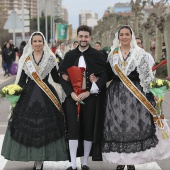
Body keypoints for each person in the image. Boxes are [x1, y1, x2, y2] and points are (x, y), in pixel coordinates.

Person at [91, 25, 170, 170]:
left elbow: (146, 78)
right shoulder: (113, 54)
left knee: (134, 127)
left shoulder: (140, 54)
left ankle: (132, 161)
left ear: (131, 36)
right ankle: (121, 161)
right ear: (118, 37)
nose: (124, 37)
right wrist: (96, 78)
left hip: (135, 95)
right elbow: (108, 74)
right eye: (122, 34)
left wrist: (153, 95)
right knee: (118, 127)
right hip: (115, 96)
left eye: (127, 34)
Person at [1, 32, 68, 170]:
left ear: (44, 43)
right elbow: (21, 80)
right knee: (28, 128)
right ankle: (33, 156)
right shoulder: (26, 59)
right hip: (28, 94)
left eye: (40, 41)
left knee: (45, 128)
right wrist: (14, 93)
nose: (37, 43)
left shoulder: (50, 58)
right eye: (35, 41)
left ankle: (41, 159)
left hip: (46, 96)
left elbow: (55, 78)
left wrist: (68, 80)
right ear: (31, 43)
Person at [59, 25, 108, 170]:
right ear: (77, 37)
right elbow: (61, 76)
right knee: (73, 129)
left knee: (88, 128)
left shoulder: (98, 55)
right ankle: (73, 164)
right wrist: (71, 93)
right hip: (72, 99)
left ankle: (85, 162)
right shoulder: (69, 55)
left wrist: (91, 90)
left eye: (86, 37)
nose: (83, 39)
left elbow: (104, 75)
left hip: (90, 98)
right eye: (81, 36)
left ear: (90, 38)